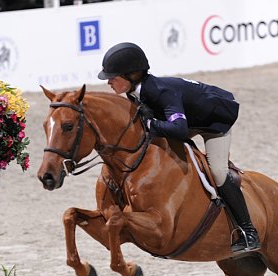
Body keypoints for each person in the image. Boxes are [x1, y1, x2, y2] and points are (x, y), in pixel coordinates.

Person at [97, 42, 260, 253]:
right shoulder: (133, 92)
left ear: (132, 75)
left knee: (217, 171)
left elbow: (179, 129)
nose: (108, 81)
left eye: (113, 76)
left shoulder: (160, 91)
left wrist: (150, 124)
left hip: (213, 122)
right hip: (188, 117)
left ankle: (248, 231)